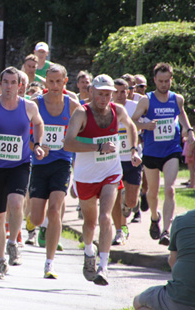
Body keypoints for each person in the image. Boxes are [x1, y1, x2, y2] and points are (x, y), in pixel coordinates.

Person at [64, 74, 141, 286]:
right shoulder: (81, 113)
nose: (104, 99)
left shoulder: (118, 110)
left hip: (111, 172)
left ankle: (104, 267)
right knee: (89, 223)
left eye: (108, 94)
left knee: (105, 216)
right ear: (91, 92)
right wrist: (98, 147)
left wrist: (133, 149)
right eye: (100, 94)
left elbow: (132, 127)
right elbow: (68, 144)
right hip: (86, 175)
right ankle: (89, 252)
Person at [0, 66, 44, 279]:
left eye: (13, 83)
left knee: (16, 203)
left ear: (20, 85)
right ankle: (1, 259)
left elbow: (39, 124)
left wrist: (37, 143)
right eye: (6, 82)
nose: (9, 86)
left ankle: (13, 242)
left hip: (20, 164)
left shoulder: (29, 106)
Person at [131, 63, 195, 245]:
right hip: (151, 152)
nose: (164, 84)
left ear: (171, 80)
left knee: (169, 189)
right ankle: (154, 216)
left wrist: (188, 130)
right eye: (160, 81)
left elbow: (182, 115)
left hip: (171, 151)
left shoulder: (177, 99)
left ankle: (166, 230)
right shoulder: (146, 100)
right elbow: (132, 122)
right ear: (154, 81)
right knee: (152, 192)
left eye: (167, 81)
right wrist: (145, 126)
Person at [28, 64, 80, 279]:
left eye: (59, 81)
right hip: (39, 164)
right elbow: (25, 137)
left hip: (62, 162)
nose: (55, 85)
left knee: (55, 209)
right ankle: (40, 228)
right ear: (45, 83)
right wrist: (36, 147)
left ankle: (49, 263)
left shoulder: (73, 106)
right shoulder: (34, 105)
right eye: (51, 81)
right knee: (37, 217)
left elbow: (83, 133)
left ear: (65, 82)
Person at [133, 209, 195, 309]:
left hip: (180, 297)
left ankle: (123, 229)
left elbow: (173, 261)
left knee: (138, 301)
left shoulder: (181, 220)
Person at [110, 78, 142, 246]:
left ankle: (128, 205)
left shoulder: (134, 107)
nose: (121, 95)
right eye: (117, 91)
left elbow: (139, 127)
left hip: (132, 159)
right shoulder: (107, 109)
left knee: (131, 201)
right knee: (115, 197)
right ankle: (119, 230)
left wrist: (135, 149)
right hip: (114, 160)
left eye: (124, 91)